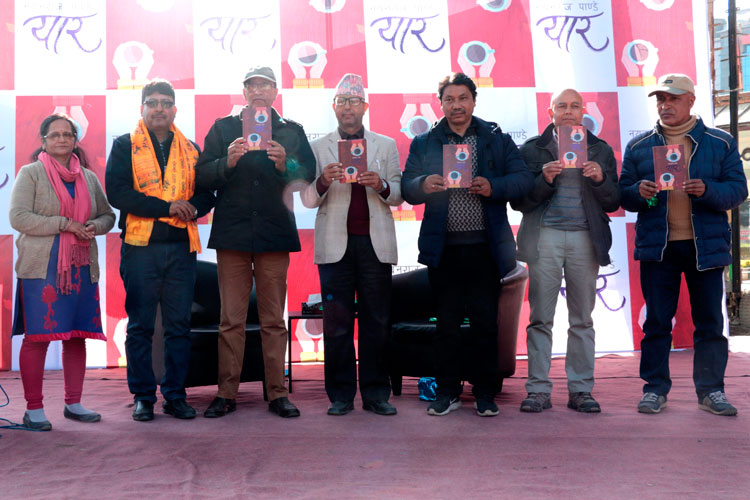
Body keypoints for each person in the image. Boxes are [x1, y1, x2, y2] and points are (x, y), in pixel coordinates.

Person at [401, 72, 533, 417]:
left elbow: (522, 180)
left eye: (463, 98)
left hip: (485, 250)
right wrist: (423, 184)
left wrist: (493, 187)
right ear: (440, 103)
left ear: (474, 101)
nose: (456, 105)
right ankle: (447, 392)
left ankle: (485, 393)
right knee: (445, 325)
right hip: (444, 250)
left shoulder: (495, 138)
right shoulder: (425, 142)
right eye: (449, 99)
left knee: (485, 324)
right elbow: (407, 186)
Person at [620, 73, 747, 416]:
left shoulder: (720, 142)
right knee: (656, 323)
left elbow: (738, 191)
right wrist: (640, 193)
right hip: (658, 248)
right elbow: (623, 195)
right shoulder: (639, 146)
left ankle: (711, 391)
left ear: (691, 100)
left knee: (710, 323)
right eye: (661, 99)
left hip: (705, 247)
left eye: (673, 98)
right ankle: (654, 390)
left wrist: (708, 190)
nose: (665, 105)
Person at [196, 66, 315, 419]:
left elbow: (307, 177)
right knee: (230, 320)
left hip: (274, 233)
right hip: (232, 234)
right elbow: (202, 175)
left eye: (265, 84)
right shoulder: (223, 128)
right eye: (252, 85)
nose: (259, 90)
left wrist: (285, 164)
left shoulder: (292, 130)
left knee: (273, 320)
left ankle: (278, 393)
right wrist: (226, 162)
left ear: (276, 91)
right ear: (244, 92)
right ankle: (226, 393)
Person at [105, 79, 215, 422]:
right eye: (152, 103)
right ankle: (143, 396)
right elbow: (118, 194)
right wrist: (168, 208)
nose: (159, 109)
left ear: (174, 110)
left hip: (181, 248)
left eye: (166, 103)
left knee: (178, 326)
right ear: (142, 108)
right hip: (141, 249)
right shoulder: (125, 145)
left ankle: (175, 395)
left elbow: (207, 194)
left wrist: (193, 208)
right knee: (140, 326)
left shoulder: (192, 149)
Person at [301, 73, 403, 416]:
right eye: (342, 101)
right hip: (335, 248)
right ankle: (341, 395)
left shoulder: (385, 144)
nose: (348, 107)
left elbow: (399, 195)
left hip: (375, 246)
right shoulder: (318, 147)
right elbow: (307, 199)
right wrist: (322, 181)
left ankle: (376, 394)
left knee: (377, 321)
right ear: (334, 107)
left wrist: (381, 185)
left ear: (365, 107)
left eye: (354, 101)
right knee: (337, 324)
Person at [513, 89, 620, 413]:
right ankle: (538, 390)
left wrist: (600, 179)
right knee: (540, 319)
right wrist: (543, 180)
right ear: (551, 112)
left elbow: (614, 201)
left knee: (582, 320)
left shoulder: (600, 149)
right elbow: (519, 201)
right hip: (543, 239)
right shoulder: (532, 149)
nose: (569, 111)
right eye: (562, 106)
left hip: (585, 239)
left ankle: (581, 390)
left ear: (584, 111)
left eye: (575, 106)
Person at [10, 113, 115, 431]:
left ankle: (74, 403)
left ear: (75, 140)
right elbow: (18, 217)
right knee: (37, 338)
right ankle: (34, 409)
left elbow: (108, 216)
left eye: (67, 134)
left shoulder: (88, 177)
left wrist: (94, 225)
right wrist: (64, 224)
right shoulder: (30, 173)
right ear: (44, 141)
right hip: (41, 270)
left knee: (77, 336)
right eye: (54, 135)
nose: (61, 139)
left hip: (81, 267)